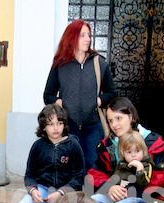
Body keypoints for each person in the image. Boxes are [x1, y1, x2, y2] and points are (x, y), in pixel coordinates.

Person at [3, 104, 84, 203]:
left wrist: (61, 192)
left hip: (64, 192)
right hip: (42, 188)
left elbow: (78, 178)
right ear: (43, 126)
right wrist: (33, 190)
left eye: (59, 123)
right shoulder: (38, 146)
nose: (56, 128)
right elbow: (30, 175)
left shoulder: (73, 146)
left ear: (64, 125)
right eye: (50, 123)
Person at [43, 19, 118, 172]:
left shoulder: (99, 63)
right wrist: (62, 103)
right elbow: (48, 95)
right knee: (68, 168)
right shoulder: (60, 64)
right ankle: (70, 196)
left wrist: (97, 101)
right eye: (82, 35)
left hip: (93, 127)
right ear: (71, 38)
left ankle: (88, 195)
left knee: (92, 168)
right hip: (68, 127)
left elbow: (112, 93)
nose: (88, 39)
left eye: (89, 35)